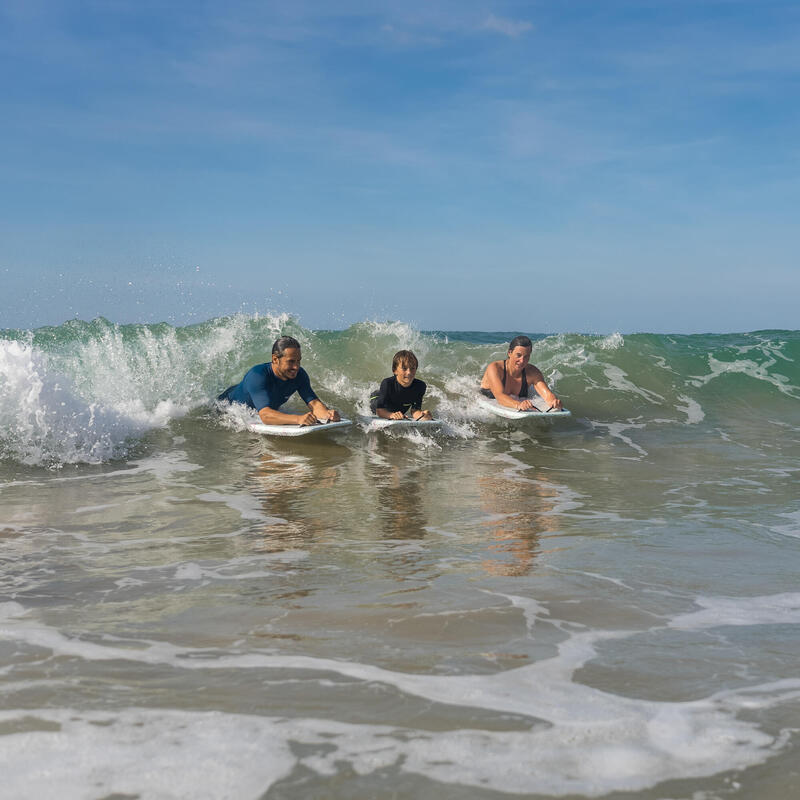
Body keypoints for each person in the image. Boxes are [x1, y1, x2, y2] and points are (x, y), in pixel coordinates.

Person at [218, 336, 340, 426]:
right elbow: (265, 415)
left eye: (298, 361)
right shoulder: (257, 375)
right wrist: (298, 419)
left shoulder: (299, 375)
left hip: (260, 410)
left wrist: (327, 414)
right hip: (226, 408)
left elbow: (314, 404)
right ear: (275, 359)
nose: (296, 367)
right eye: (291, 361)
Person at [480, 335, 562, 412]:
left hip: (514, 401)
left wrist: (554, 401)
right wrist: (518, 405)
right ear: (510, 353)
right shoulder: (495, 368)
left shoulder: (533, 372)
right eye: (518, 355)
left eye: (526, 356)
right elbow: (500, 397)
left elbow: (547, 395)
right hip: (490, 398)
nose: (522, 361)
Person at [369, 350, 433, 421]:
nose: (409, 372)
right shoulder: (387, 383)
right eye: (404, 368)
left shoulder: (420, 386)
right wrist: (391, 415)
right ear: (394, 370)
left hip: (395, 411)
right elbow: (379, 410)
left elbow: (414, 411)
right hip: (377, 402)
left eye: (412, 368)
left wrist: (423, 415)